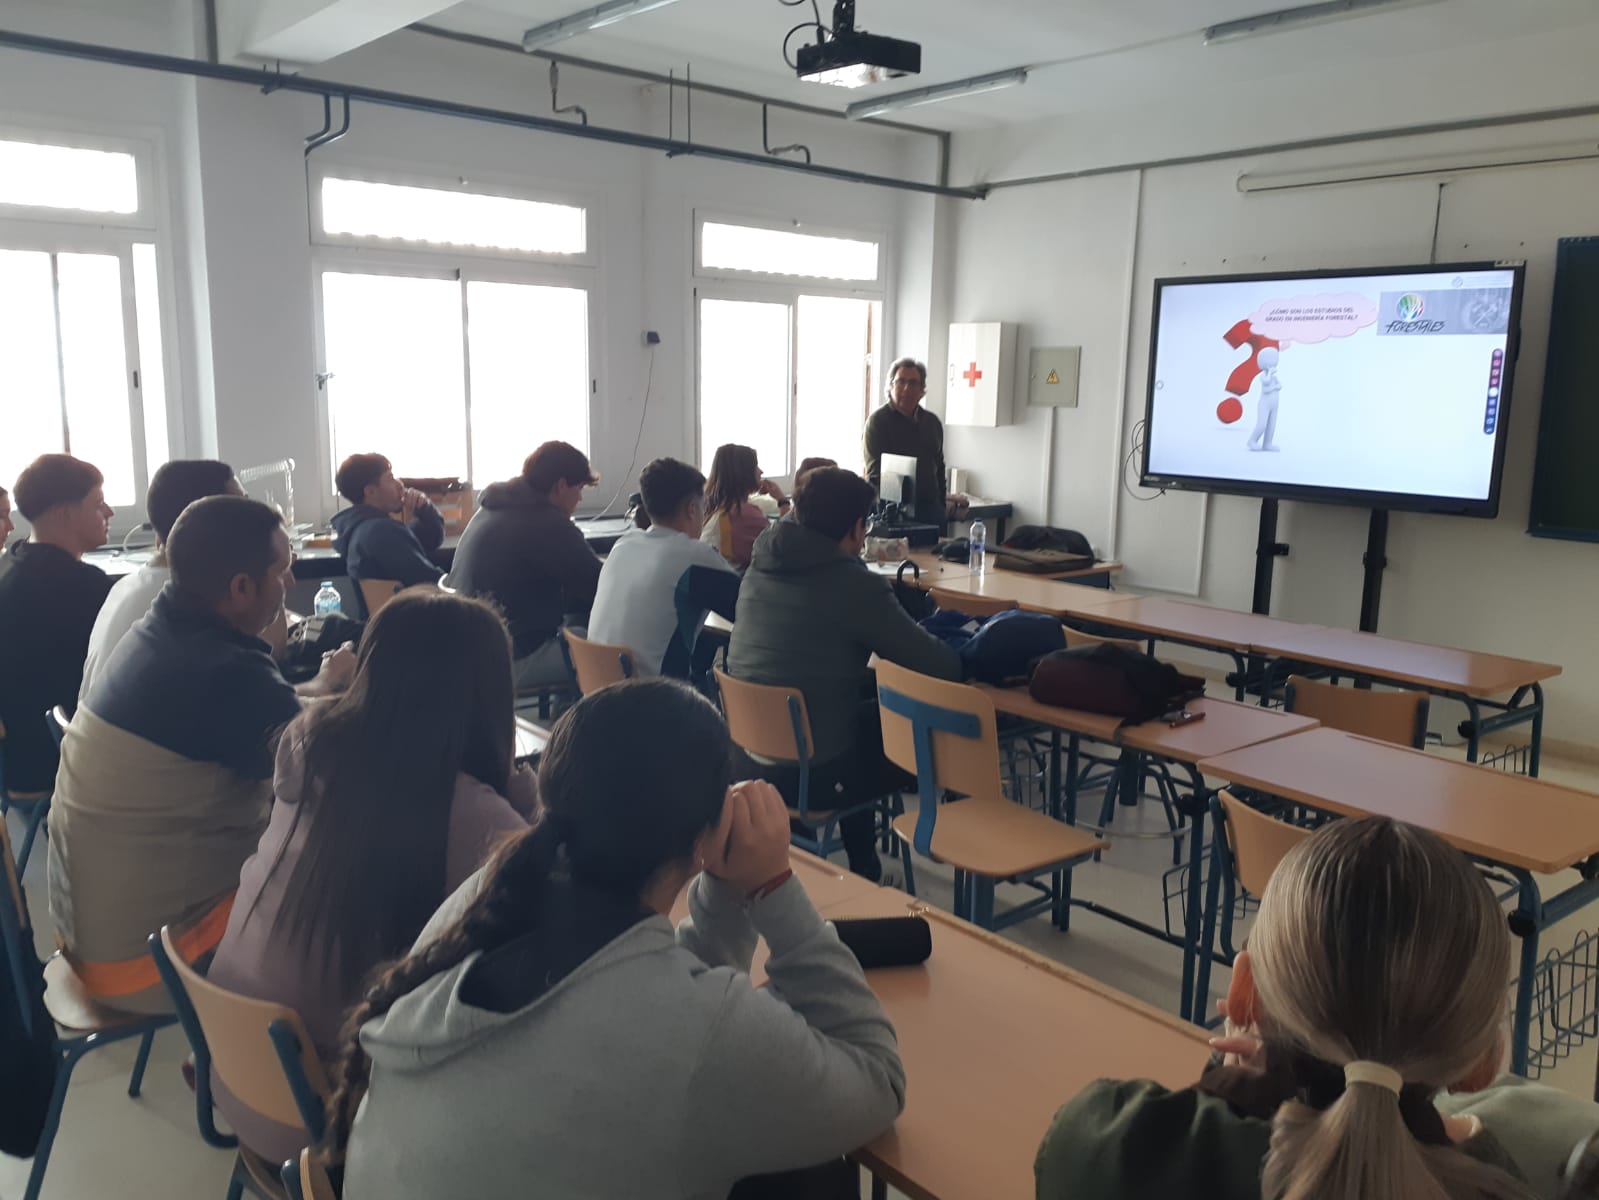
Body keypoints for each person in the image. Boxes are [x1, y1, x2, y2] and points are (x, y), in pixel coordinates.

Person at [329, 678, 905, 1199]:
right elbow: (877, 1079)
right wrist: (772, 887)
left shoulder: (486, 898)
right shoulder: (696, 1032)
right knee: (810, 1173)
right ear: (702, 836)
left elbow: (670, 1006)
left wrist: (725, 893)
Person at [1034, 817, 1544, 1200]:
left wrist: (1226, 1088)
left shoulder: (1109, 1146)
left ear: (1245, 993)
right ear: (1482, 1061)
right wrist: (1468, 1137)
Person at [207, 590, 537, 1164]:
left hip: (238, 1078)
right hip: (325, 1132)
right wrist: (524, 802)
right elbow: (539, 894)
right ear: (488, 695)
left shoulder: (307, 742)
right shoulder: (474, 815)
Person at [49, 496, 355, 1014]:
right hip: (146, 963)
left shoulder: (161, 634)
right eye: (282, 570)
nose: (289, 581)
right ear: (241, 588)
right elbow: (330, 775)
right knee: (353, 878)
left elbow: (272, 719)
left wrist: (323, 691)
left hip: (93, 942)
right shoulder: (224, 671)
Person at [727, 467, 960, 881]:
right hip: (816, 774)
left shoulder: (759, 566)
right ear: (856, 528)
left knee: (858, 711)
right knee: (914, 724)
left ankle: (864, 865)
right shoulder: (854, 585)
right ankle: (903, 859)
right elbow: (941, 667)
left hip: (748, 762)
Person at [80, 459, 242, 700]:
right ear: (212, 524)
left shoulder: (126, 585)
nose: (251, 520)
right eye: (241, 510)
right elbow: (269, 660)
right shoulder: (191, 595)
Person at [0, 454, 114, 795]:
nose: (109, 512)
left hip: (16, 757)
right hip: (54, 764)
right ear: (66, 513)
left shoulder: (11, 562)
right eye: (98, 504)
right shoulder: (84, 587)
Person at [450, 442, 601, 691]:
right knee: (606, 647)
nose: (581, 497)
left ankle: (564, 708)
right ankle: (572, 712)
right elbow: (599, 586)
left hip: (472, 651)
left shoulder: (491, 508)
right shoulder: (545, 522)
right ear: (561, 486)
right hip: (511, 659)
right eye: (580, 488)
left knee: (576, 622)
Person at [588, 457, 736, 676]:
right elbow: (748, 609)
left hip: (596, 688)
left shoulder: (623, 545)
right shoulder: (693, 555)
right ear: (692, 509)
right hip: (653, 693)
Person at [330, 454, 446, 616]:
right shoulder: (382, 531)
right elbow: (433, 584)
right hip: (414, 623)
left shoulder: (362, 529)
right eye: (390, 478)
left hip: (385, 626)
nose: (400, 484)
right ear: (371, 491)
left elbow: (430, 538)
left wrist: (424, 508)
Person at [863, 357, 946, 527]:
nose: (907, 388)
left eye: (913, 383)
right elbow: (875, 475)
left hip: (931, 514)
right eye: (901, 382)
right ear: (890, 386)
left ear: (921, 390)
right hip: (893, 515)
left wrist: (942, 508)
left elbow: (939, 468)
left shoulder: (932, 422)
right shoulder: (877, 422)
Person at [701, 444, 788, 569]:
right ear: (744, 473)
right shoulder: (742, 513)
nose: (761, 472)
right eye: (756, 466)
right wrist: (783, 502)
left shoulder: (713, 508)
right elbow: (780, 547)